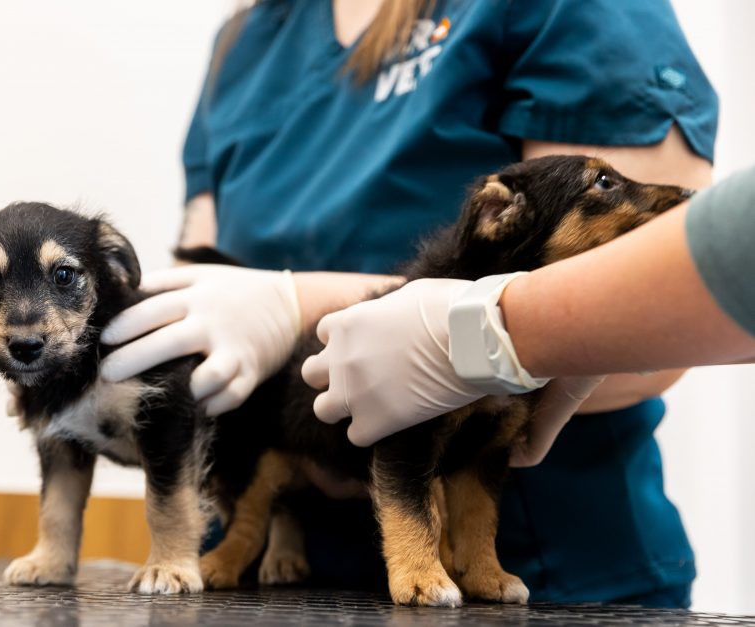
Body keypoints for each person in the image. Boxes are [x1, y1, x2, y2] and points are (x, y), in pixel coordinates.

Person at [100, 0, 718, 607]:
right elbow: (203, 285)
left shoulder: (569, 10)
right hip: (272, 571)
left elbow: (670, 304)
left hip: (559, 570)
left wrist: (299, 304)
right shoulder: (245, 42)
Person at [302, 165, 755, 466]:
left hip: (555, 533)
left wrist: (488, 328)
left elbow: (720, 263)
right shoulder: (253, 37)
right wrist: (290, 298)